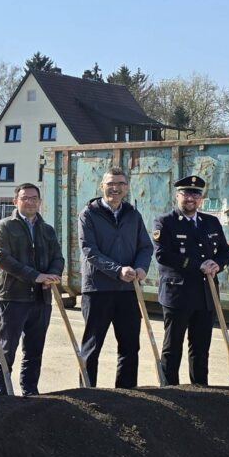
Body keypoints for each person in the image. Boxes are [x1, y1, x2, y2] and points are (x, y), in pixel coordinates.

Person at [78, 166, 154, 388]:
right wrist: (117, 270)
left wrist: (141, 268)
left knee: (130, 346)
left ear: (127, 188)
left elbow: (145, 247)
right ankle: (87, 393)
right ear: (102, 186)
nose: (115, 188)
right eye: (111, 183)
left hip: (128, 290)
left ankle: (126, 393)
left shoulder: (133, 214)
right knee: (92, 345)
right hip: (98, 290)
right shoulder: (89, 214)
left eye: (120, 184)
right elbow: (89, 250)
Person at [152, 175, 229, 386]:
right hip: (177, 295)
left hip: (206, 295)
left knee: (201, 347)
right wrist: (198, 265)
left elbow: (224, 252)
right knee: (173, 347)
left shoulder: (211, 222)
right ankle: (170, 390)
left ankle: (200, 390)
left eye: (196, 194)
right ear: (177, 196)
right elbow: (163, 255)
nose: (191, 199)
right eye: (186, 193)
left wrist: (217, 264)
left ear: (201, 199)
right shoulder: (165, 222)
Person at [0, 183, 64, 396]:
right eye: (25, 198)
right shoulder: (5, 227)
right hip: (13, 298)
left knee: (34, 349)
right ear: (16, 201)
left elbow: (58, 258)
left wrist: (53, 274)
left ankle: (30, 390)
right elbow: (2, 259)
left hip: (41, 299)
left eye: (34, 198)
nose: (30, 202)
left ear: (40, 202)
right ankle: (1, 393)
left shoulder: (47, 229)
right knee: (7, 349)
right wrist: (35, 276)